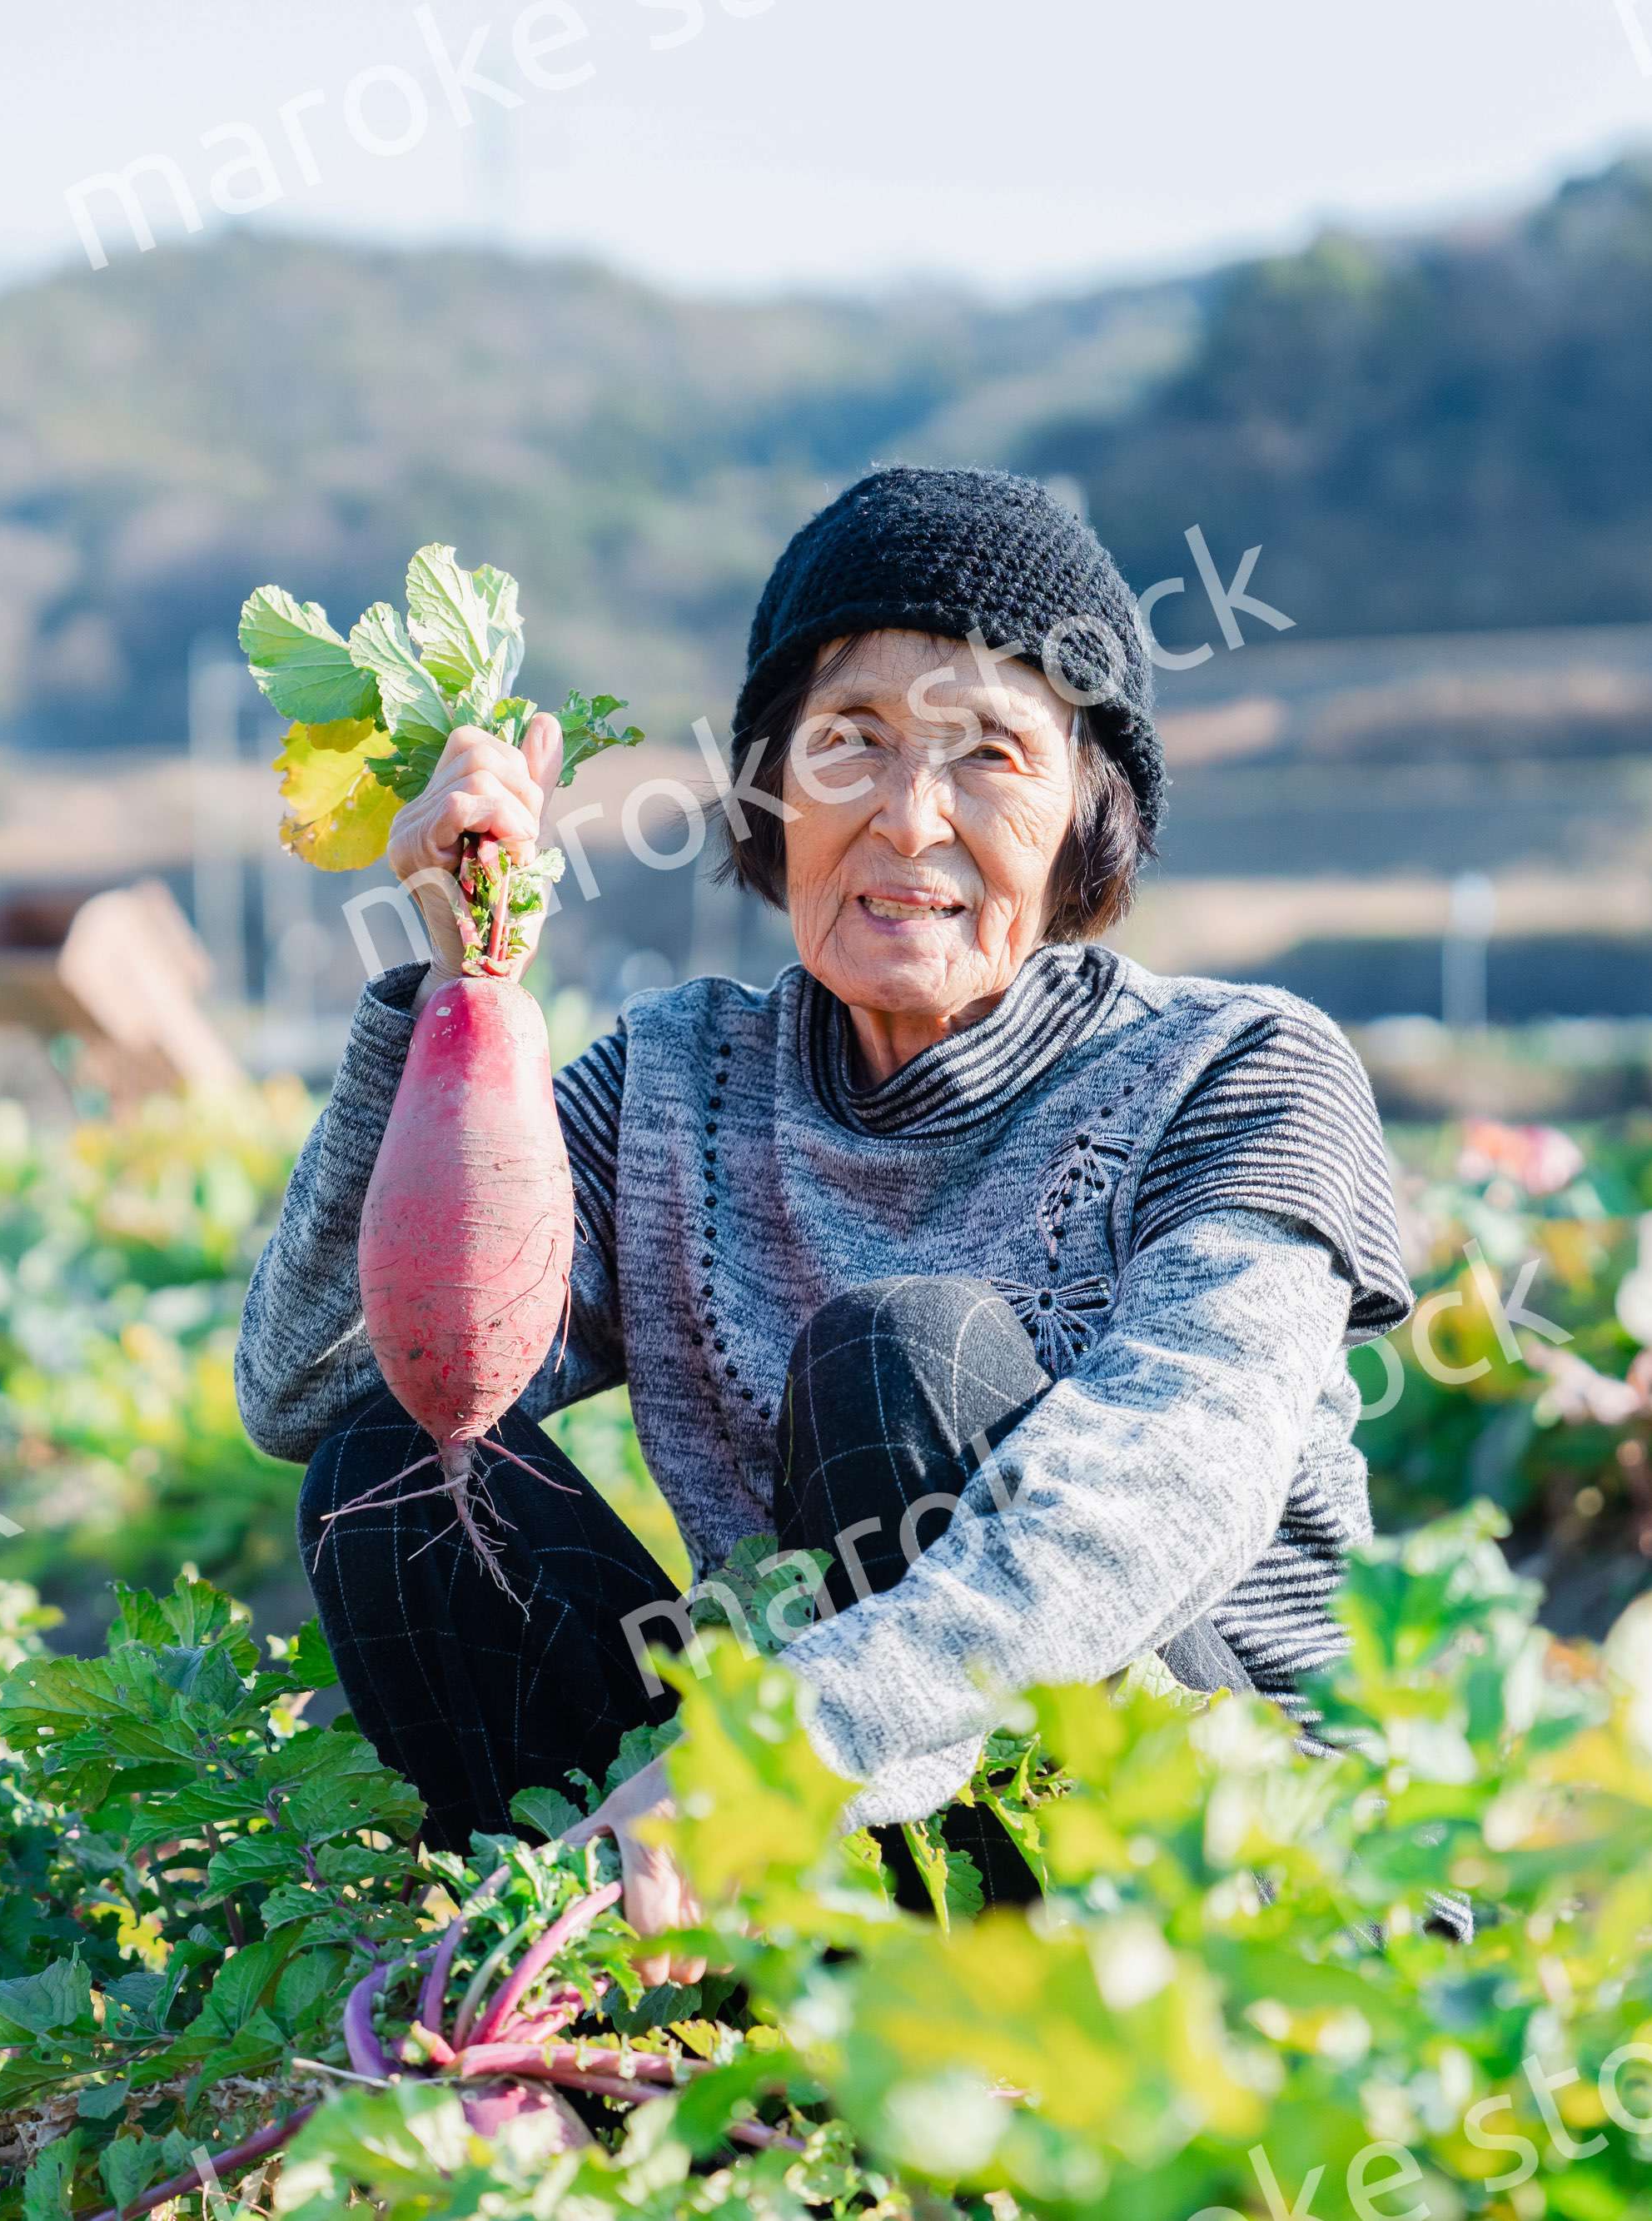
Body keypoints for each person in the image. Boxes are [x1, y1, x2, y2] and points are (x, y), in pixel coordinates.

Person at [234, 466, 1410, 1947]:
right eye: (850, 741)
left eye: (992, 755)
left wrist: (769, 1762)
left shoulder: (1239, 1071)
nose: (911, 820)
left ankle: (983, 2028)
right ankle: (638, 1984)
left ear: (1086, 817)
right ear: (769, 793)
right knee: (394, 1469)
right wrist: (459, 994)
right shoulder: (674, 1085)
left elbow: (1165, 1489)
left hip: (1212, 1882)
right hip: (804, 1838)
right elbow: (322, 1387)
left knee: (896, 1359)